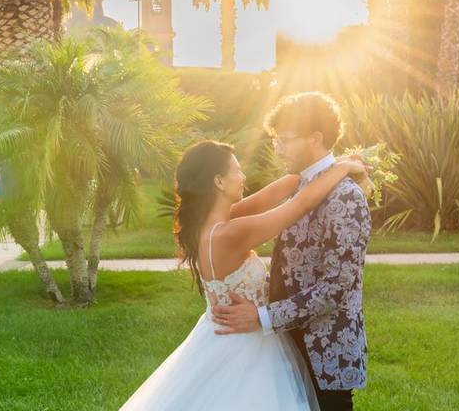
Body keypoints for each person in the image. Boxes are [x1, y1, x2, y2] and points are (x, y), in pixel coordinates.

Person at [119, 137, 368, 411]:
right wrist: (344, 169)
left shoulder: (210, 224)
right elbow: (300, 205)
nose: (243, 176)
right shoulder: (231, 233)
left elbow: (280, 189)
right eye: (237, 170)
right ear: (219, 182)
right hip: (247, 347)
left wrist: (325, 164)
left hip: (219, 338)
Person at [212, 93, 371, 411]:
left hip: (325, 350)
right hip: (284, 343)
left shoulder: (346, 196)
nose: (277, 148)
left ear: (316, 138)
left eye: (285, 139)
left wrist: (262, 317)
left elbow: (336, 287)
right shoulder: (299, 185)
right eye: (275, 140)